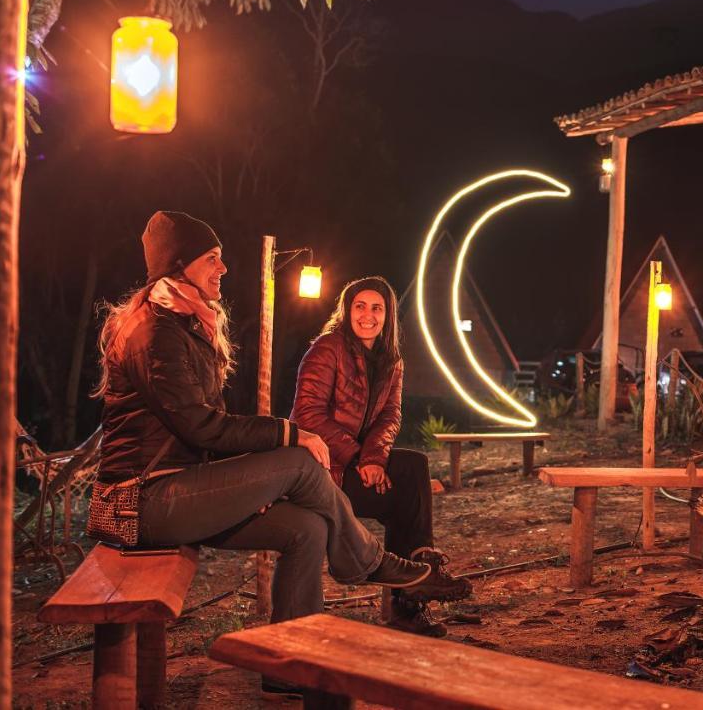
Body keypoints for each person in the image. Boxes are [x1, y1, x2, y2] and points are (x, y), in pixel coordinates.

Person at [94, 212, 450, 693]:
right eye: (212, 259)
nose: (223, 268)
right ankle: (368, 562)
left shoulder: (183, 324)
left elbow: (387, 418)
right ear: (178, 267)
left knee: (307, 527)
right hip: (141, 500)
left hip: (180, 488)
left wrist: (253, 481)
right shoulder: (155, 333)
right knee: (298, 459)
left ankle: (289, 663)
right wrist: (289, 434)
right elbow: (201, 426)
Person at [292, 276, 468, 636]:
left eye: (377, 308)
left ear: (388, 316)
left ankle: (416, 577)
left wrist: (374, 458)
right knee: (405, 489)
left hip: (356, 465)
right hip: (322, 469)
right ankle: (410, 596)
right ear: (347, 310)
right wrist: (361, 458)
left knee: (411, 467)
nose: (367, 315)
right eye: (360, 306)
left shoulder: (392, 360)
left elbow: (391, 416)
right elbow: (307, 415)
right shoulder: (328, 348)